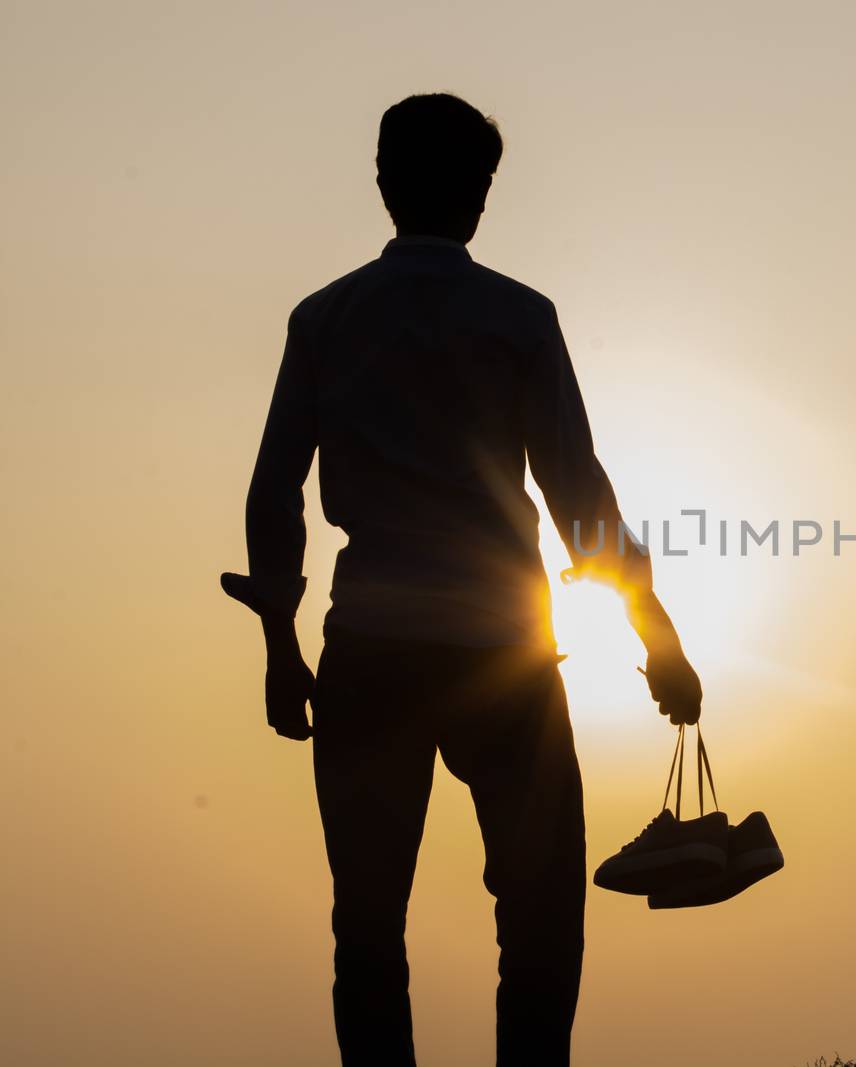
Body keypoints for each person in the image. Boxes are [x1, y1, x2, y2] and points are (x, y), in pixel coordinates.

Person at [221, 92, 702, 1067]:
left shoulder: (326, 317)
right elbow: (579, 495)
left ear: (383, 183)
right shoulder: (518, 318)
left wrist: (279, 644)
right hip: (503, 650)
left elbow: (276, 492)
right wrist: (657, 636)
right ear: (478, 192)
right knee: (539, 912)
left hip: (370, 643)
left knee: (366, 918)